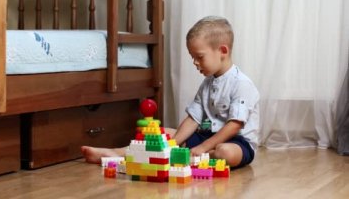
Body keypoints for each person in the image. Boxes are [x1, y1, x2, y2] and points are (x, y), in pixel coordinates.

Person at [81, 16, 260, 168]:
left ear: (222, 51)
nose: (195, 63)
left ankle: (194, 157)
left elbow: (235, 125)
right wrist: (171, 144)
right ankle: (117, 153)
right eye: (193, 58)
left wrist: (204, 147)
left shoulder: (242, 84)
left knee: (224, 152)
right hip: (206, 137)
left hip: (237, 142)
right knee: (160, 134)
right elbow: (193, 119)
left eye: (200, 57)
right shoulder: (207, 84)